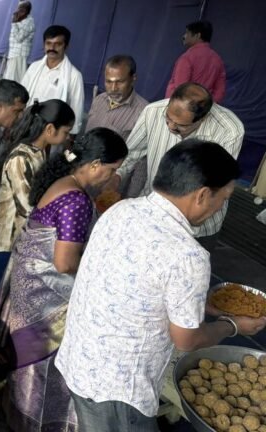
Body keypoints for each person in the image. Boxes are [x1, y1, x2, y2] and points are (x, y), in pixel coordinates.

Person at [56, 140, 266, 431]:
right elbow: (186, 340)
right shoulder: (188, 255)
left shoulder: (121, 210)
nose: (222, 207)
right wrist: (233, 326)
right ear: (203, 195)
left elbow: (132, 279)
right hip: (120, 390)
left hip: (80, 359)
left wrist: (198, 304)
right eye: (225, 197)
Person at [0, 128, 128, 431]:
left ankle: (19, 414)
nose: (113, 176)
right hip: (47, 298)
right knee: (44, 368)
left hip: (30, 284)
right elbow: (64, 263)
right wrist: (103, 268)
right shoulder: (76, 201)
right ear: (96, 164)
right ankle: (37, 422)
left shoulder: (62, 183)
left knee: (27, 364)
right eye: (113, 169)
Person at [115, 82, 244, 248]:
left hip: (198, 228)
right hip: (154, 212)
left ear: (203, 118)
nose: (170, 126)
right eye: (167, 119)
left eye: (180, 125)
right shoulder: (152, 112)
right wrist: (117, 175)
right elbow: (131, 153)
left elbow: (215, 183)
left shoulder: (229, 130)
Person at [0, 100, 75, 309]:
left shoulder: (41, 152)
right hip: (6, 239)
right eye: (66, 132)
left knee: (8, 298)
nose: (67, 137)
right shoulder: (21, 158)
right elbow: (27, 207)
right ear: (50, 129)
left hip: (22, 239)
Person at [22, 25, 85, 135]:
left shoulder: (74, 76)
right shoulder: (34, 67)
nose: (52, 48)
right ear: (44, 44)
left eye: (58, 44)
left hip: (52, 132)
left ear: (66, 46)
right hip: (27, 124)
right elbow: (22, 94)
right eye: (48, 43)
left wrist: (70, 136)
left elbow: (77, 109)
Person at [85, 55, 148, 140]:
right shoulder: (99, 99)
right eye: (108, 81)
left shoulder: (144, 113)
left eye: (120, 82)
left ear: (133, 79)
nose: (113, 88)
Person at [166, 20, 226, 103]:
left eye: (187, 33)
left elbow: (180, 88)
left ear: (198, 35)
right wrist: (204, 106)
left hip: (179, 107)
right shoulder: (218, 60)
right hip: (202, 110)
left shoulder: (187, 57)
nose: (184, 36)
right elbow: (220, 91)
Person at [2, 1, 35, 82]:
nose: (18, 12)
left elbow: (18, 38)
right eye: (19, 9)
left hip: (19, 55)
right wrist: (15, 22)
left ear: (27, 11)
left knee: (14, 79)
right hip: (14, 53)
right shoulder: (21, 20)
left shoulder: (28, 22)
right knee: (10, 77)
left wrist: (14, 23)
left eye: (22, 10)